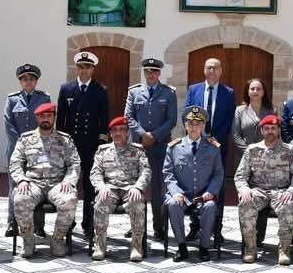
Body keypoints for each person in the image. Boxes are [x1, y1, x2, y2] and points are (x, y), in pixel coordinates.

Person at [9, 102, 79, 258]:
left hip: (58, 184)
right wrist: (21, 180)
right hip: (33, 183)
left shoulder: (65, 140)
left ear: (54, 117)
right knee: (20, 199)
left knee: (69, 200)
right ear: (37, 118)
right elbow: (15, 163)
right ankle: (28, 240)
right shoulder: (25, 139)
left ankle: (57, 239)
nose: (45, 119)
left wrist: (69, 180)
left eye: (49, 115)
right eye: (42, 116)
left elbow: (74, 163)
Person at [235, 113, 293, 266]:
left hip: (281, 191)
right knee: (245, 203)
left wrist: (290, 191)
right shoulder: (252, 150)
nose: (270, 131)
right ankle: (251, 248)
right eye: (266, 128)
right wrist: (244, 189)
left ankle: (284, 249)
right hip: (258, 190)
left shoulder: (289, 150)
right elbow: (240, 175)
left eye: (273, 128)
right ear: (262, 131)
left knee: (287, 205)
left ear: (278, 130)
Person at [57, 51, 110, 237]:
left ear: (92, 69)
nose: (84, 70)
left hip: (91, 146)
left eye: (87, 67)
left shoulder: (100, 90)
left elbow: (104, 120)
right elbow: (61, 121)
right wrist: (62, 144)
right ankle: (68, 221)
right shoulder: (66, 89)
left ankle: (88, 222)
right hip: (71, 146)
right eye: (80, 67)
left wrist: (100, 146)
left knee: (89, 185)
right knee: (69, 185)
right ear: (76, 68)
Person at [184, 58, 236, 245]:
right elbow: (186, 114)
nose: (212, 70)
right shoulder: (193, 89)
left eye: (215, 68)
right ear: (204, 70)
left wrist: (215, 139)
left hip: (218, 147)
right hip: (195, 145)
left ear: (221, 71)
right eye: (209, 67)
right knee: (195, 184)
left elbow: (229, 119)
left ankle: (216, 229)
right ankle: (195, 226)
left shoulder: (229, 92)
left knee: (217, 186)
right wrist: (198, 136)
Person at [124, 57, 177, 240]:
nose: (150, 74)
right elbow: (128, 117)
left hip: (160, 147)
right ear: (144, 72)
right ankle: (135, 225)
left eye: (154, 71)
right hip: (138, 147)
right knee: (135, 187)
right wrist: (142, 134)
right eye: (147, 71)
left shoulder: (168, 93)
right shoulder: (134, 92)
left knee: (157, 189)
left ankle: (159, 226)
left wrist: (154, 136)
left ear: (159, 73)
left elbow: (172, 120)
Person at [163, 106, 224, 262]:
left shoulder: (213, 147)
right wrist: (176, 192)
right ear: (185, 125)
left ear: (203, 126)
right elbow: (168, 173)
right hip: (182, 195)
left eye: (197, 124)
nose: (194, 127)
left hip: (204, 195)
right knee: (173, 204)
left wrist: (211, 191)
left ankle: (204, 247)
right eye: (190, 123)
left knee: (210, 207)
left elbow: (218, 173)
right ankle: (182, 246)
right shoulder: (174, 147)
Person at [90, 116, 151, 262]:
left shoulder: (137, 150)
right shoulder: (102, 151)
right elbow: (95, 172)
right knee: (100, 202)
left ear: (128, 132)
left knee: (136, 203)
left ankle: (136, 246)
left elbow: (146, 171)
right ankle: (100, 245)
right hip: (109, 189)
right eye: (114, 130)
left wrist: (138, 187)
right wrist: (101, 187)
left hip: (131, 189)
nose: (118, 133)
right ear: (110, 133)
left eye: (122, 130)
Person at [3, 63, 50, 237]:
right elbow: (8, 124)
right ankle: (12, 222)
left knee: (39, 185)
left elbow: (47, 122)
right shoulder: (12, 100)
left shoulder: (44, 99)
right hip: (16, 150)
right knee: (15, 185)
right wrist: (22, 146)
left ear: (36, 81)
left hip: (39, 150)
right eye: (24, 79)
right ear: (20, 82)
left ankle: (38, 225)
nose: (28, 82)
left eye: (31, 79)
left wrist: (34, 146)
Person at [231, 78, 274, 161]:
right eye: (252, 89)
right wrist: (249, 152)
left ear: (263, 92)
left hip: (265, 157)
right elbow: (235, 135)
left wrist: (265, 151)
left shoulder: (271, 111)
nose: (255, 91)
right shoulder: (239, 110)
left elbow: (275, 134)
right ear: (248, 91)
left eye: (258, 89)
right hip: (243, 157)